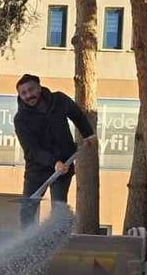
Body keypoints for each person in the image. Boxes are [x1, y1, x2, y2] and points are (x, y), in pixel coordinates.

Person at [13, 73, 96, 224]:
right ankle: (28, 243)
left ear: (39, 88)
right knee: (27, 212)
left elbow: (77, 114)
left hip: (64, 164)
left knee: (58, 209)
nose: (28, 95)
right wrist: (54, 162)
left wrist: (88, 134)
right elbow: (32, 150)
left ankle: (55, 242)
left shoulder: (59, 100)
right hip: (37, 169)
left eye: (31, 90)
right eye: (23, 93)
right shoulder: (21, 119)